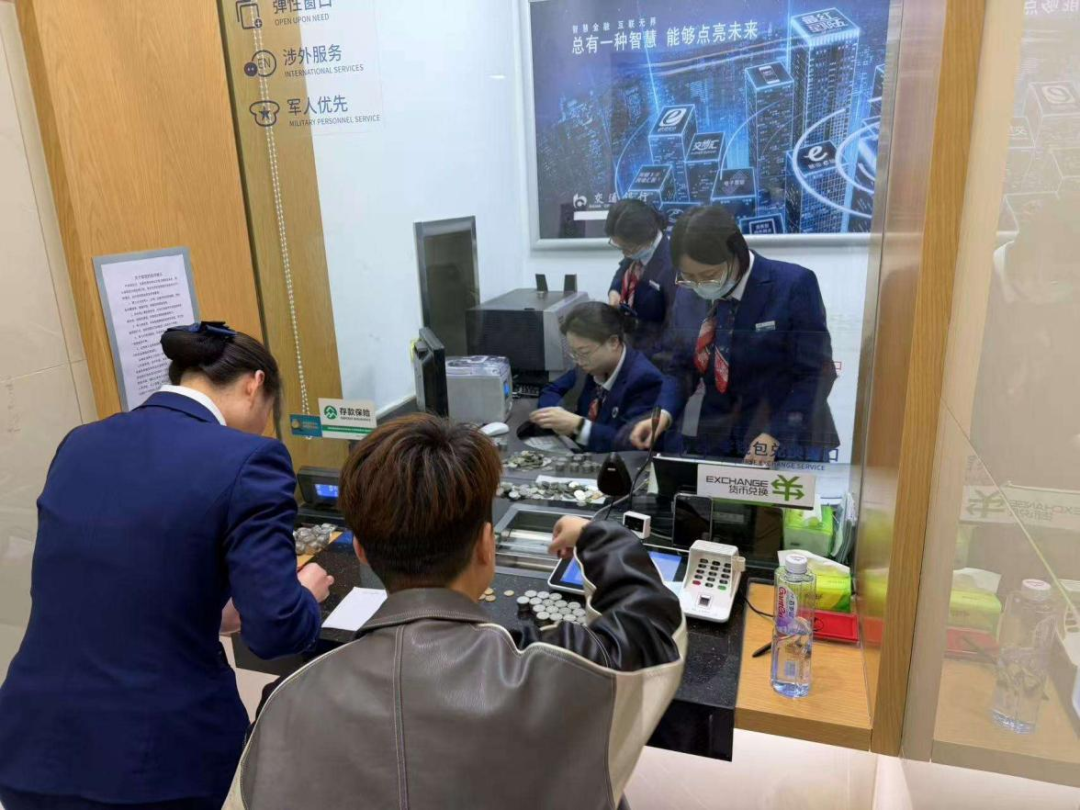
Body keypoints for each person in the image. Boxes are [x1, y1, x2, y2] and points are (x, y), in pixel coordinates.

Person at [222, 414, 686, 810]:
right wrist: (596, 537)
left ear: (361, 550)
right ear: (486, 546)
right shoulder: (565, 679)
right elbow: (651, 625)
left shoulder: (283, 705)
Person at [0, 322, 335, 810]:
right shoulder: (251, 459)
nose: (266, 425)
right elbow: (275, 630)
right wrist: (304, 595)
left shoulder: (81, 443)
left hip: (30, 745)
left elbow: (104, 574)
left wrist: (205, 610)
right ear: (255, 384)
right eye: (271, 411)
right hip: (153, 764)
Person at [630, 205, 839, 464]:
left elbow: (816, 373)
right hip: (719, 439)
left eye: (709, 275)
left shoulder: (792, 285)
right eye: (688, 277)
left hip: (787, 438)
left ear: (736, 253)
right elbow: (682, 367)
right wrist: (663, 412)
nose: (699, 285)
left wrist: (775, 434)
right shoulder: (688, 293)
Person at [530, 302, 663, 452]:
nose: (579, 361)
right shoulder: (588, 366)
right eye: (574, 353)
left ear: (613, 342)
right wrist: (554, 416)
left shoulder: (644, 379)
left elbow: (631, 443)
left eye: (584, 352)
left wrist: (578, 427)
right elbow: (552, 390)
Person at [605, 198, 677, 358]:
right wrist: (614, 291)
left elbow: (674, 331)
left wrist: (634, 359)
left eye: (627, 248)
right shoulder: (636, 251)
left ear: (648, 238)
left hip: (656, 354)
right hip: (630, 342)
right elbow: (622, 271)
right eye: (619, 247)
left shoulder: (672, 266)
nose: (624, 253)